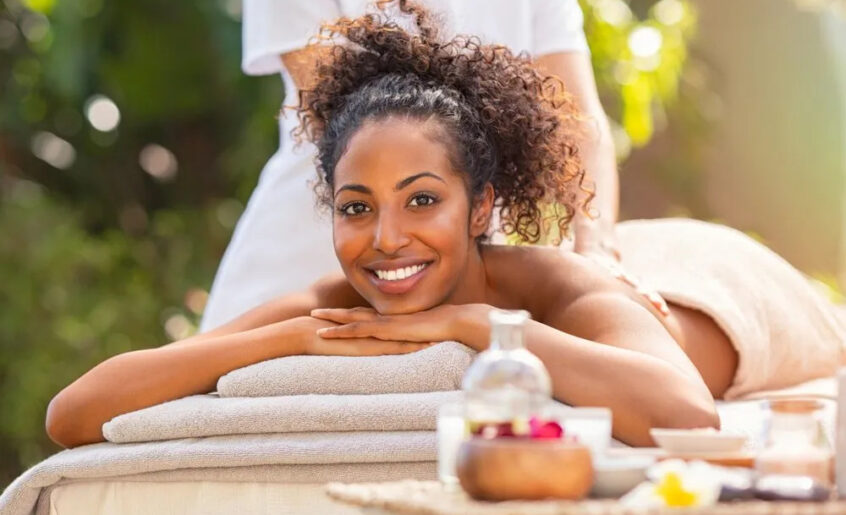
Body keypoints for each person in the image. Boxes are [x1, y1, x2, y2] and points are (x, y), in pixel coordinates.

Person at [44, 1, 840, 451]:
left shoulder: (548, 286)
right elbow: (73, 414)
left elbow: (688, 413)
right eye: (357, 208)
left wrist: (479, 326)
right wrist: (280, 338)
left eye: (422, 200)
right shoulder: (329, 296)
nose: (385, 233)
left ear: (482, 203)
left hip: (647, 269)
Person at [199, 0, 619, 331]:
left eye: (421, 196)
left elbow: (578, 123)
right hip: (301, 262)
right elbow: (352, 119)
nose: (390, 237)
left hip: (459, 269)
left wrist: (594, 253)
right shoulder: (312, 295)